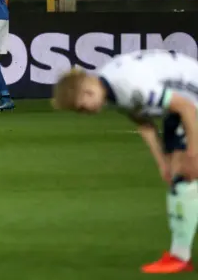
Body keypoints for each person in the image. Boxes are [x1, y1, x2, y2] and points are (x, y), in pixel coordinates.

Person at [52, 49, 198, 274]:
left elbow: (186, 107)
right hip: (179, 105)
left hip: (190, 100)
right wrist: (161, 162)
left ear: (87, 90)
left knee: (186, 172)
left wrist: (194, 152)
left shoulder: (129, 85)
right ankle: (179, 256)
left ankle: (180, 257)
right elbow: (143, 121)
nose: (85, 114)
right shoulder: (110, 86)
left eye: (81, 108)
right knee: (178, 174)